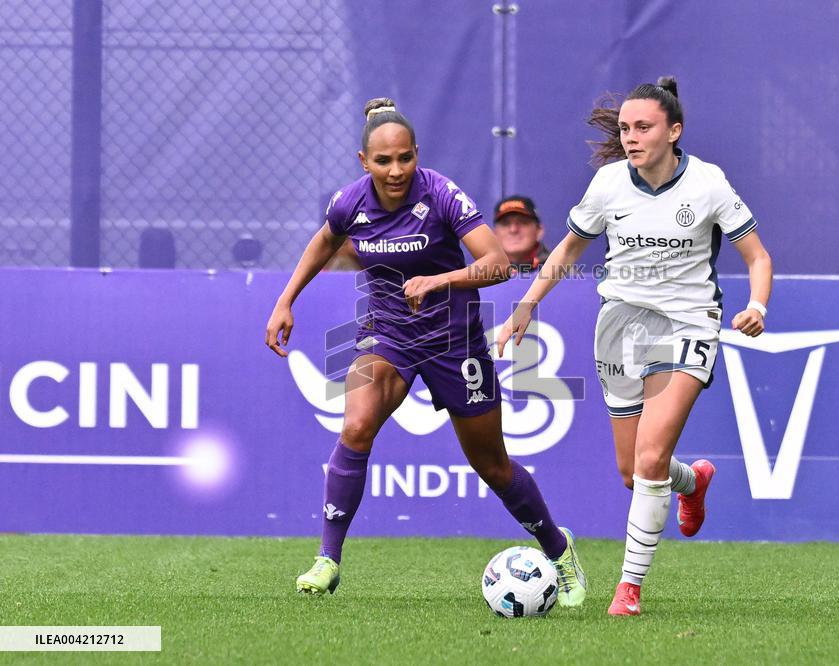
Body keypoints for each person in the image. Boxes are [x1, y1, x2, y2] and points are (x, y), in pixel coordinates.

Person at [265, 98, 586, 606]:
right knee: (356, 426)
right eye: (383, 161)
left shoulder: (440, 194)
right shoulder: (349, 203)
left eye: (405, 158)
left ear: (417, 153)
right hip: (388, 335)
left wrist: (440, 280)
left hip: (455, 342)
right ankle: (328, 559)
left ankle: (559, 550)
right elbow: (324, 241)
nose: (396, 171)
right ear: (364, 162)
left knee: (493, 466)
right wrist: (286, 300)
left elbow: (498, 263)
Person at [497, 77, 772, 616]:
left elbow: (758, 256)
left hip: (689, 326)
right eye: (625, 128)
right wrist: (525, 306)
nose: (630, 137)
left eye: (643, 127)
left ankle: (628, 590)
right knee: (634, 470)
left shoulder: (709, 183)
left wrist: (757, 307)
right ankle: (692, 482)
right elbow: (567, 250)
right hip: (621, 328)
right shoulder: (608, 184)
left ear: (674, 131)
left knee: (649, 458)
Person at [493, 195, 550, 273]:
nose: (513, 230)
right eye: (505, 223)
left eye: (523, 222)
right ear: (495, 233)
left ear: (539, 230)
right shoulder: (482, 275)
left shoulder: (561, 272)